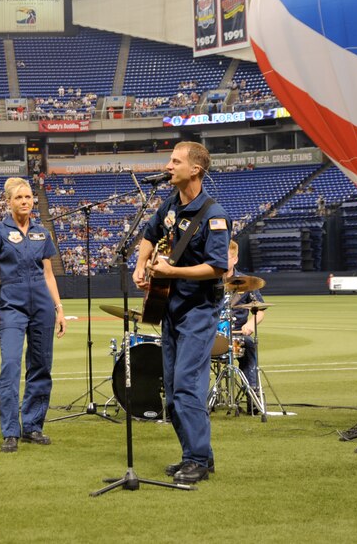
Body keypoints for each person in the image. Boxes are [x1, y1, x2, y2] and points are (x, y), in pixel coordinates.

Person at [133, 141, 230, 484]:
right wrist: (141, 264)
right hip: (171, 308)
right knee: (173, 392)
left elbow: (218, 267)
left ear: (195, 170)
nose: (168, 165)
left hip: (199, 311)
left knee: (187, 385)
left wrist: (173, 273)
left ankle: (197, 460)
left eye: (175, 161)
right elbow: (150, 232)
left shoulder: (214, 215)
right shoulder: (170, 204)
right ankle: (198, 454)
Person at [0, 177, 67, 453]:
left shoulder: (42, 233)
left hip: (42, 305)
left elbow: (48, 274)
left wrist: (59, 309)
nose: (26, 202)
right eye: (19, 198)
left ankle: (32, 426)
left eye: (29, 197)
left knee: (41, 366)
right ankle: (10, 431)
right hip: (12, 306)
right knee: (10, 366)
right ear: (9, 202)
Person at [222, 240, 264, 405]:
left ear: (235, 259)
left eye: (224, 258)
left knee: (249, 346)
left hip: (237, 336)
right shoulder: (206, 281)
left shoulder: (246, 282)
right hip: (210, 336)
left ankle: (252, 396)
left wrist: (250, 325)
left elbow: (259, 310)